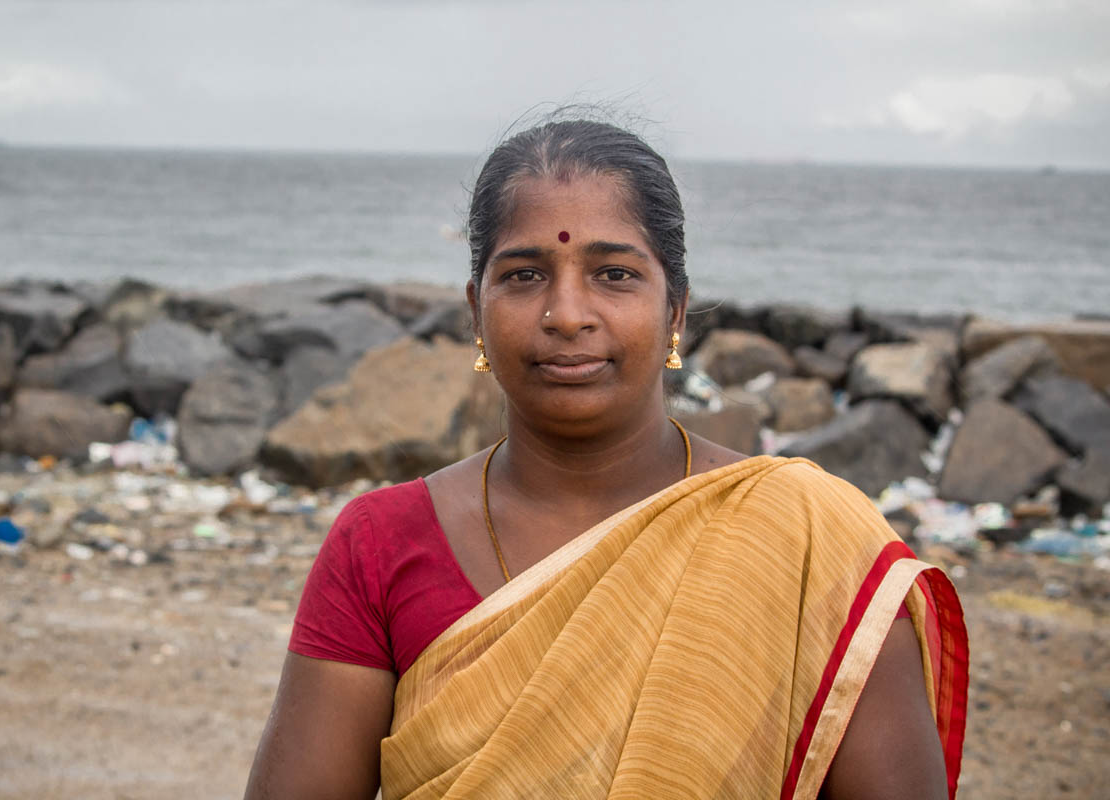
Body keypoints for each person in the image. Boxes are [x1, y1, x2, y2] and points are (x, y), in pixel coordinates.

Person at [244, 118, 967, 800]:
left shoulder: (808, 538)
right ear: (475, 311)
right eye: (524, 275)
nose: (567, 313)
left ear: (676, 311)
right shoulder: (380, 542)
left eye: (614, 274)